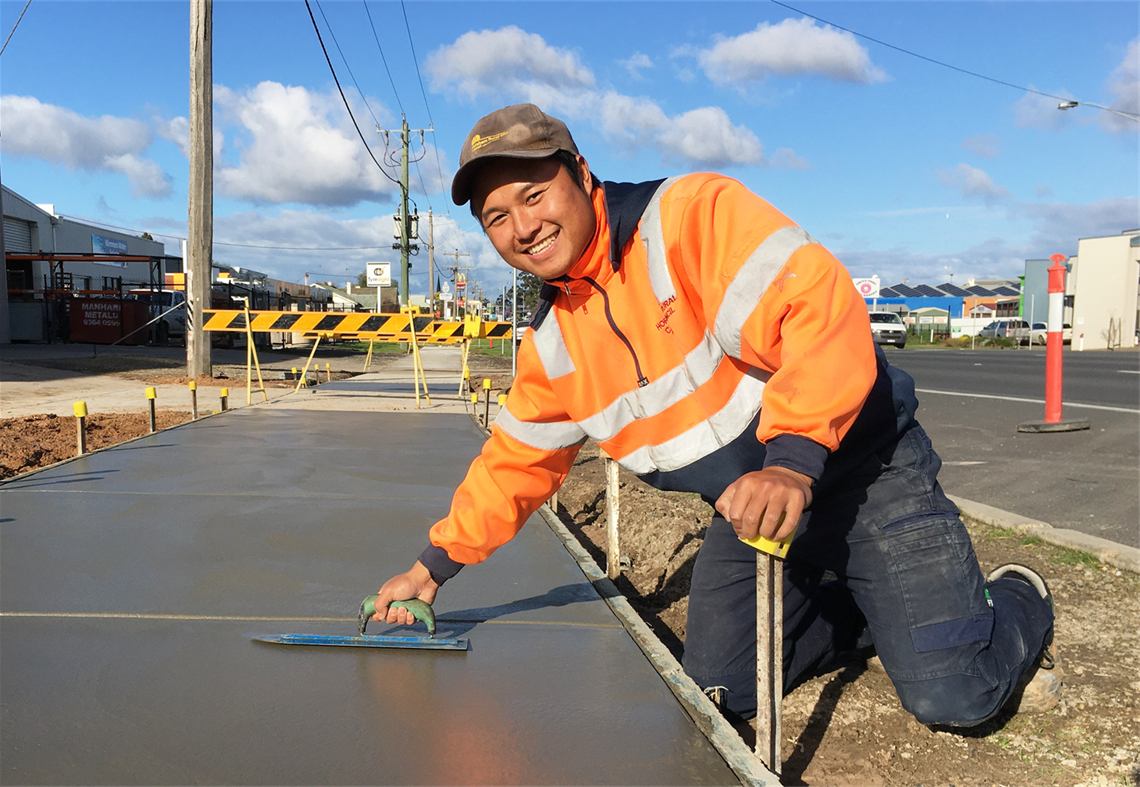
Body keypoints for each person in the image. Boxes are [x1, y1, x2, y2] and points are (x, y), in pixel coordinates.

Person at [372, 103, 1059, 726]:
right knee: (719, 693)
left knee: (956, 694)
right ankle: (878, 606)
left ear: (581, 175)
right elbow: (512, 466)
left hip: (862, 470)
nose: (523, 226)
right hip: (751, 513)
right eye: (496, 217)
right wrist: (431, 569)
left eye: (534, 194)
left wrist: (791, 463)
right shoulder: (553, 344)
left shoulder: (687, 219)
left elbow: (815, 307)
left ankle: (1015, 595)